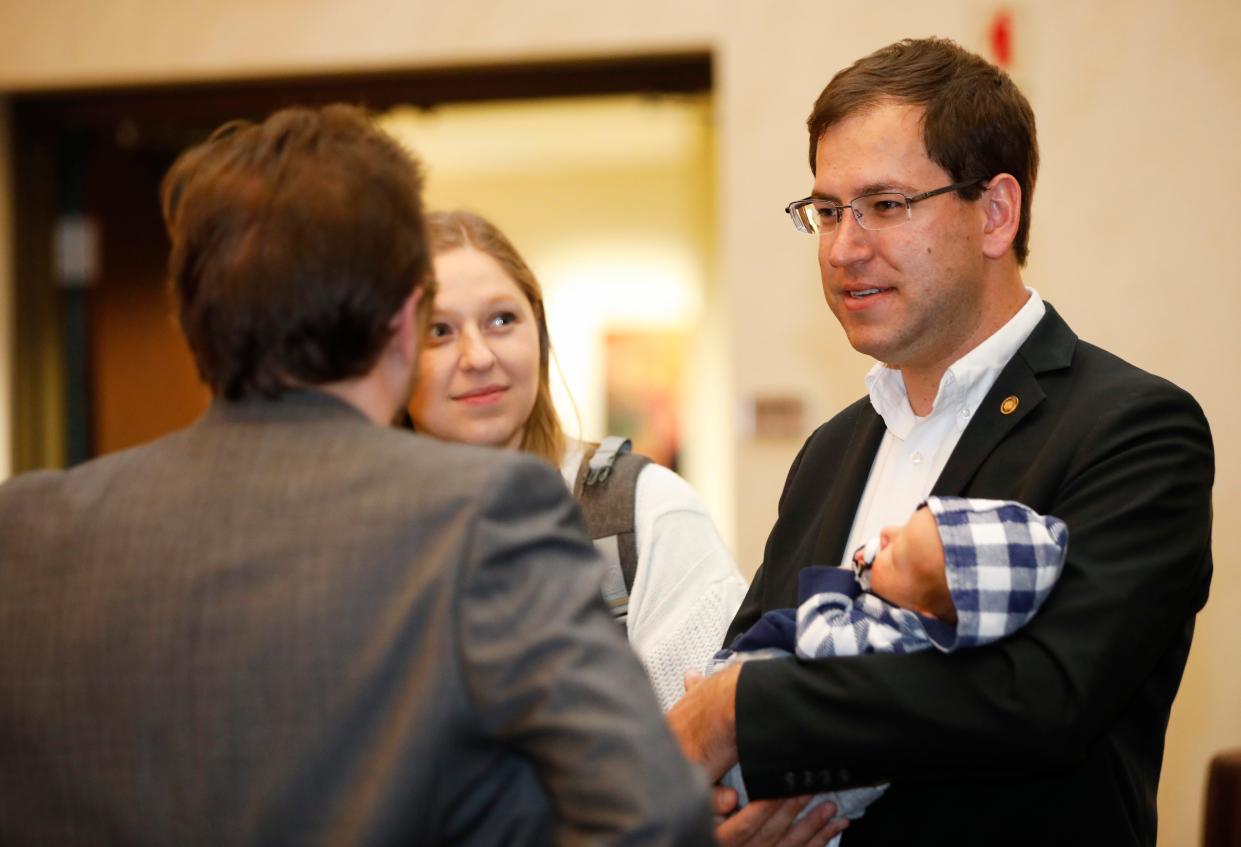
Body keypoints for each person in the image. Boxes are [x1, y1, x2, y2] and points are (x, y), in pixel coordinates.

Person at [0, 105, 716, 845]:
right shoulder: (485, 514)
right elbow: (651, 815)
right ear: (403, 322)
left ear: (190, 321)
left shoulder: (24, 529)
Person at [667, 36, 1214, 845]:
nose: (843, 247)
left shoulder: (1130, 427)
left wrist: (738, 710)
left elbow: (1039, 698)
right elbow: (758, 650)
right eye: (826, 210)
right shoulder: (826, 453)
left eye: (884, 205)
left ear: (995, 212)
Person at [406, 209, 750, 713]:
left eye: (502, 320)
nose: (477, 356)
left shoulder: (645, 510)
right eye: (438, 330)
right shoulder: (350, 533)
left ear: (540, 337)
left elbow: (704, 743)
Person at [711, 497, 1069, 841]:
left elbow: (820, 642)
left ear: (925, 613)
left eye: (897, 558)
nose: (887, 535)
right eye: (905, 526)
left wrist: (834, 585)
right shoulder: (917, 620)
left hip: (788, 798)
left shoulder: (895, 642)